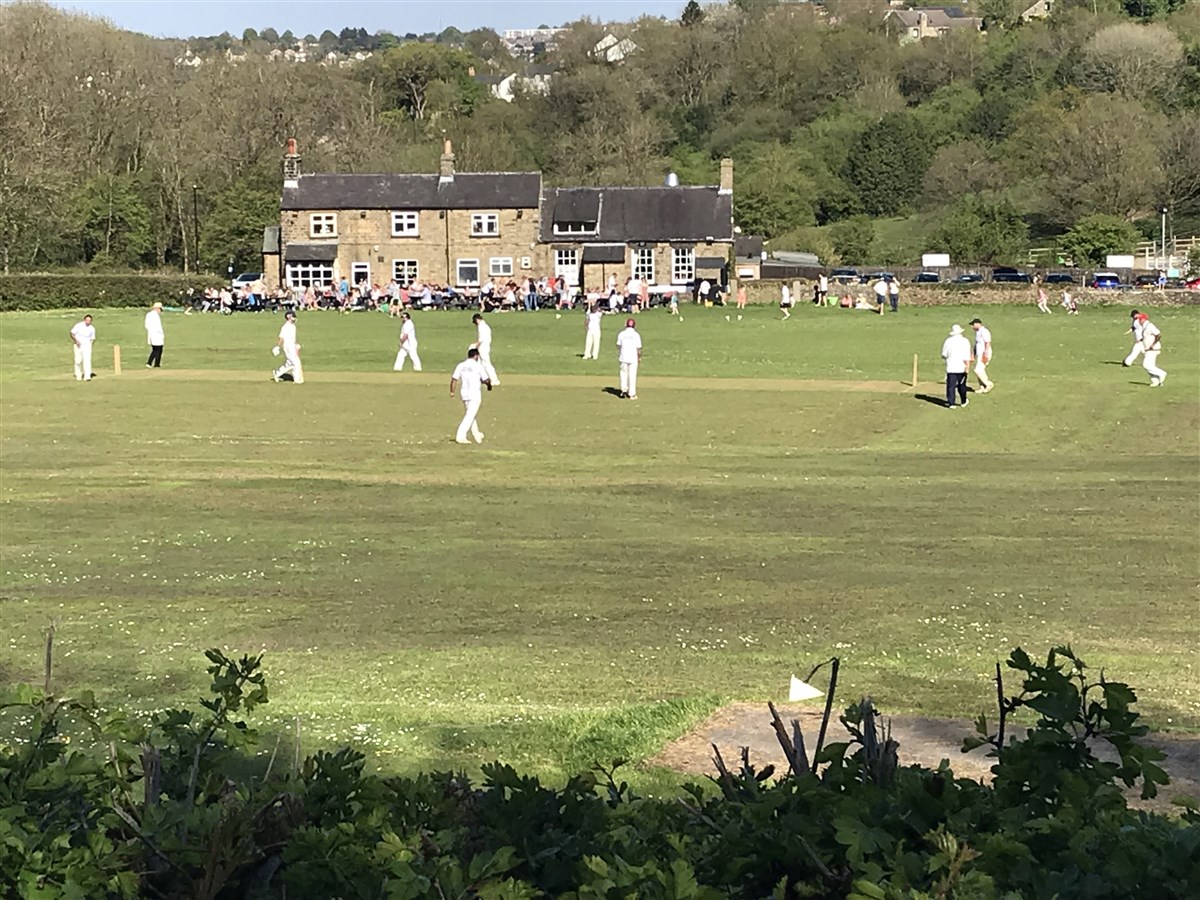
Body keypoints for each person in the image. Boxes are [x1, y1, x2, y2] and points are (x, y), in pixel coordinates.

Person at [450, 347, 491, 443]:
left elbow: (454, 379)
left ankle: (477, 434)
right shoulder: (478, 366)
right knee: (470, 415)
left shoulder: (461, 365)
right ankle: (460, 435)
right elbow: (485, 379)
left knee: (471, 414)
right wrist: (489, 386)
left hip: (464, 393)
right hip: (474, 394)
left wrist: (452, 391)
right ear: (476, 356)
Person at [941, 324, 972, 409]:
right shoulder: (965, 341)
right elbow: (967, 355)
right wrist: (967, 367)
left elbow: (944, 354)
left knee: (951, 386)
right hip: (962, 367)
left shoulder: (948, 341)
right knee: (962, 385)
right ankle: (963, 401)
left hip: (951, 367)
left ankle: (951, 403)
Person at [272, 309, 304, 383]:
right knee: (295, 362)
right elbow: (281, 337)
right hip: (288, 346)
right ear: (289, 317)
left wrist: (296, 345)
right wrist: (278, 347)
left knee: (290, 363)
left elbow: (292, 337)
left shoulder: (293, 326)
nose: (295, 318)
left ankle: (277, 373)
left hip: (292, 345)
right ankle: (297, 379)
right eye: (293, 317)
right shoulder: (285, 327)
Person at [1137, 313, 1167, 387]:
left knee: (1146, 365)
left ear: (1144, 319)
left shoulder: (1150, 326)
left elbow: (1158, 334)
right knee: (1150, 365)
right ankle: (1155, 381)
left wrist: (1152, 345)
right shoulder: (1144, 326)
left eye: (1140, 319)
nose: (1139, 321)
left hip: (1153, 349)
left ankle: (1162, 373)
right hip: (1147, 349)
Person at [616, 317, 642, 400]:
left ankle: (623, 390)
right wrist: (639, 357)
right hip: (633, 357)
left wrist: (621, 352)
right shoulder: (636, 335)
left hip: (623, 356)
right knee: (632, 375)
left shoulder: (621, 334)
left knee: (623, 374)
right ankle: (632, 394)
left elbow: (618, 345)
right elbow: (638, 348)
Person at [470, 313, 500, 385]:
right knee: (480, 363)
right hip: (484, 346)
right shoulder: (485, 326)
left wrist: (476, 345)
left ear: (477, 320)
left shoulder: (482, 326)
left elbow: (481, 339)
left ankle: (494, 380)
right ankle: (482, 378)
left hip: (483, 347)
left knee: (486, 364)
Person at [69, 314, 96, 381]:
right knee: (78, 360)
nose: (88, 322)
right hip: (78, 345)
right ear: (84, 320)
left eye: (89, 321)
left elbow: (92, 338)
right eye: (87, 320)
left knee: (87, 360)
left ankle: (87, 376)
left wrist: (90, 345)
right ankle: (78, 374)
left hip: (87, 346)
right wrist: (76, 341)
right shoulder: (79, 325)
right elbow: (72, 333)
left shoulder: (92, 328)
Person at [970, 318, 993, 393]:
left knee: (978, 370)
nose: (972, 327)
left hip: (984, 353)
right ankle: (982, 387)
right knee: (980, 370)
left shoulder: (984, 331)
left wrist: (985, 353)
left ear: (977, 324)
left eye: (973, 325)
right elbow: (977, 344)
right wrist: (973, 353)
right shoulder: (978, 332)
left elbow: (987, 342)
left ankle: (988, 384)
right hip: (979, 353)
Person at [144, 301, 165, 368]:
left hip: (153, 334)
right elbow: (157, 326)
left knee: (157, 349)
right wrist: (160, 333)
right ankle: (152, 363)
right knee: (157, 350)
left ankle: (155, 364)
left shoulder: (149, 314)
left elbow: (146, 325)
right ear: (157, 308)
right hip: (156, 334)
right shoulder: (154, 315)